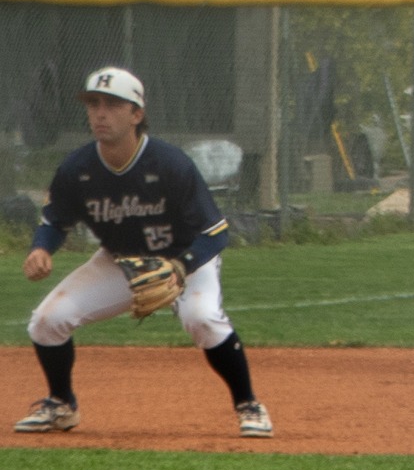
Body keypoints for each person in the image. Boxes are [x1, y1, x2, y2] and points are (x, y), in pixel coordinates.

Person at [15, 66, 273, 439]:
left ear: (137, 114)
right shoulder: (77, 168)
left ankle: (249, 404)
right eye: (93, 103)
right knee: (47, 320)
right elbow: (55, 221)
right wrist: (41, 248)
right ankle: (61, 404)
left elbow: (215, 233)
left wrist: (180, 268)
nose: (100, 113)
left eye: (113, 105)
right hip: (120, 260)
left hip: (186, 256)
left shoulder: (170, 164)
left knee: (201, 318)